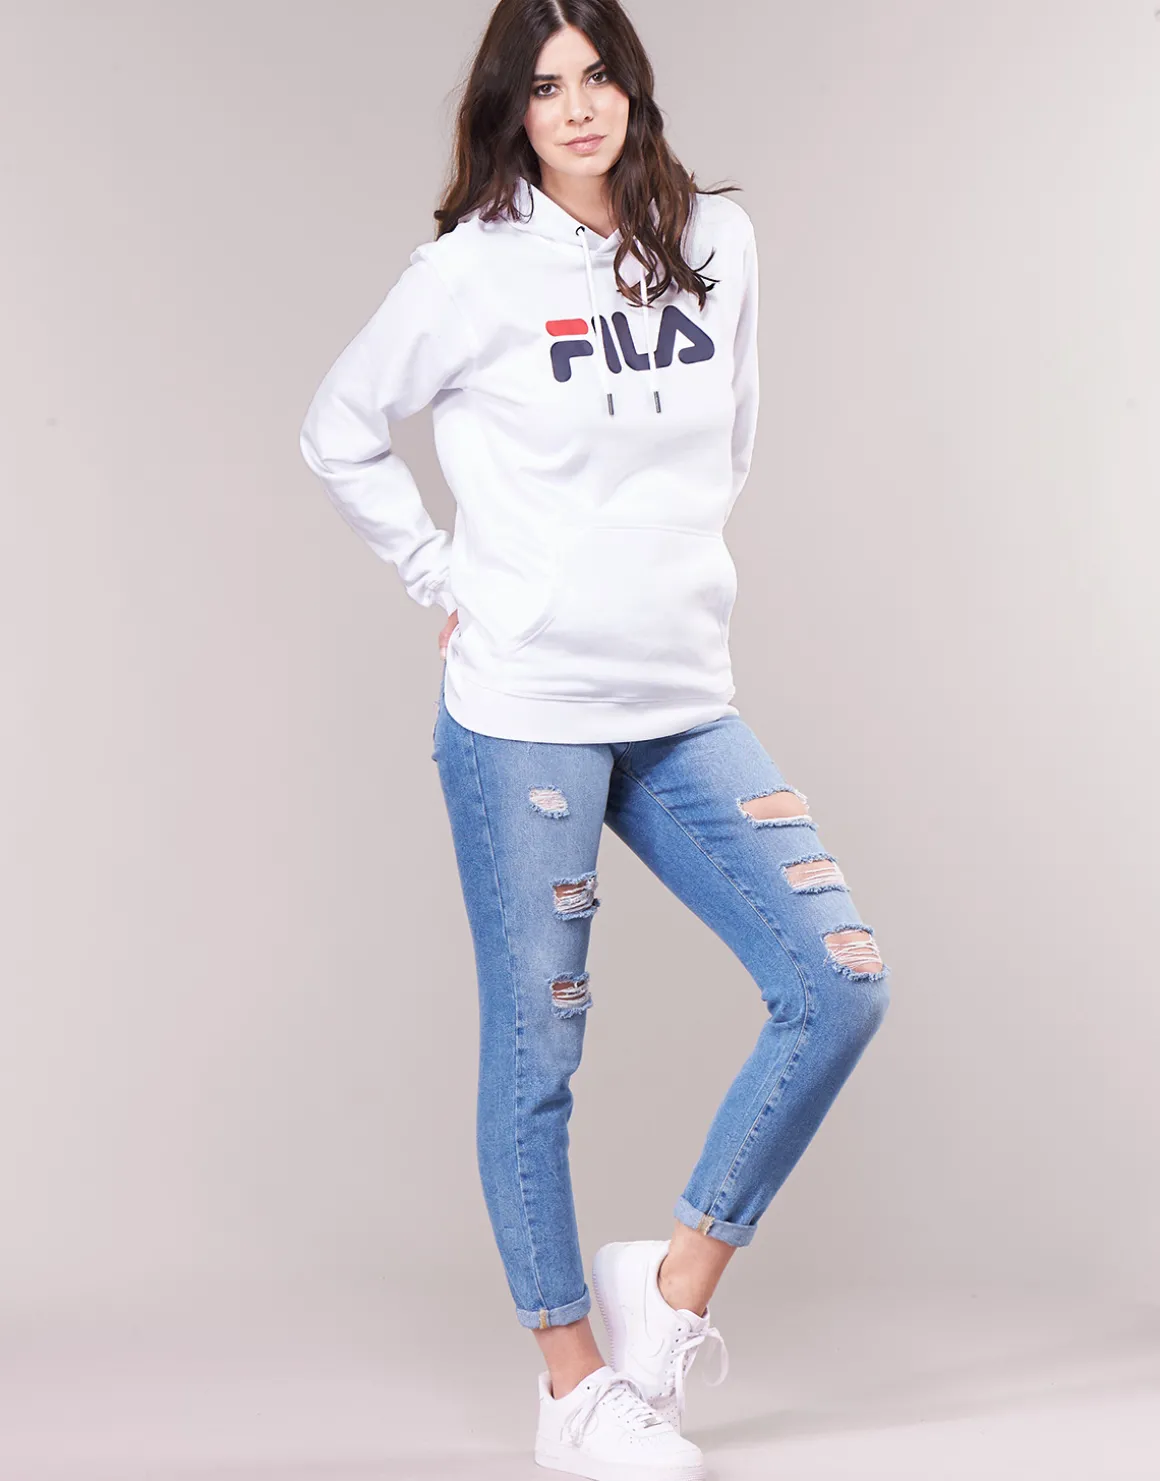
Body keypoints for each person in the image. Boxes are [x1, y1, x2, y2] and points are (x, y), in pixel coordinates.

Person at [299, 3, 891, 1476]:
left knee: (836, 982)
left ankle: (671, 1287)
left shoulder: (718, 243)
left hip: (682, 700)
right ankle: (573, 1385)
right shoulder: (471, 271)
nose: (578, 107)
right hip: (526, 717)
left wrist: (646, 579)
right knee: (538, 1052)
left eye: (600, 75)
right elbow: (339, 428)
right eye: (547, 85)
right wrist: (446, 579)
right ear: (512, 108)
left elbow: (728, 441)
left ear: (635, 87)